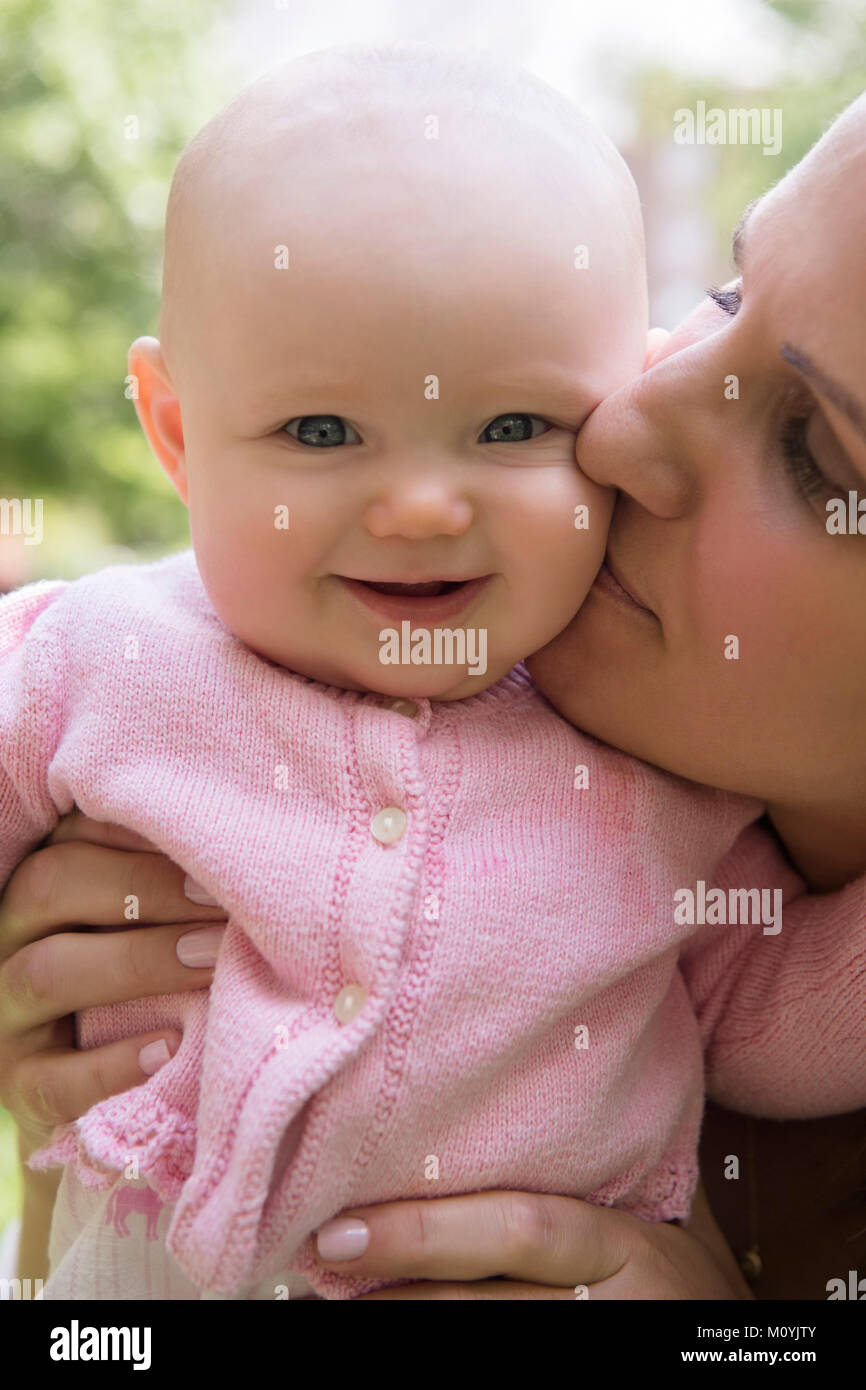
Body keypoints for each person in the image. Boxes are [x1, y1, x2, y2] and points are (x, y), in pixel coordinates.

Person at [2, 58, 864, 1300]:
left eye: (816, 454)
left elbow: (773, 1007)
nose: (616, 430)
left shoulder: (672, 825)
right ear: (177, 435)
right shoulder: (100, 658)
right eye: (723, 295)